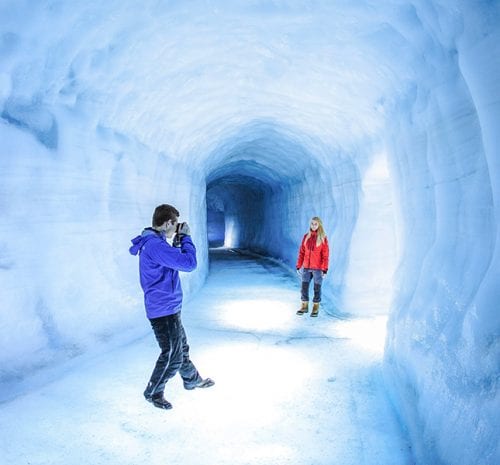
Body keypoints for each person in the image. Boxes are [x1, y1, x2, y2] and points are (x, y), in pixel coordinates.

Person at [129, 204, 214, 410]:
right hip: (163, 309)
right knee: (171, 354)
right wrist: (185, 238)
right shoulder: (155, 246)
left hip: (167, 306)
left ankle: (191, 379)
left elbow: (173, 261)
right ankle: (153, 392)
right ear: (167, 222)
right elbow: (188, 263)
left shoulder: (157, 243)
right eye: (175, 225)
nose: (175, 229)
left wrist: (177, 241)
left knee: (180, 349)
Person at [295, 216, 329, 317]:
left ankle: (315, 307)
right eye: (312, 224)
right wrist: (299, 265)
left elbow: (325, 255)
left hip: (317, 268)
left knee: (317, 288)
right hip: (306, 267)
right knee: (304, 287)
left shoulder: (323, 238)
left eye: (315, 224)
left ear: (319, 225)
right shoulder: (306, 237)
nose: (313, 226)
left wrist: (325, 269)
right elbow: (301, 252)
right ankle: (304, 306)